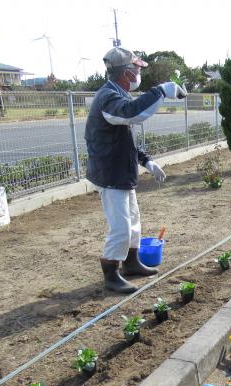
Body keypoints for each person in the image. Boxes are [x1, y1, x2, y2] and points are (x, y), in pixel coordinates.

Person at [86, 47, 187, 294]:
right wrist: (161, 90)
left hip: (122, 173)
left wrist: (146, 161)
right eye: (136, 69)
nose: (138, 74)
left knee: (133, 223)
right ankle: (111, 272)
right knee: (120, 226)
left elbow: (126, 136)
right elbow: (135, 114)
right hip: (111, 175)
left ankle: (131, 263)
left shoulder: (116, 94)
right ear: (126, 73)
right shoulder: (108, 98)